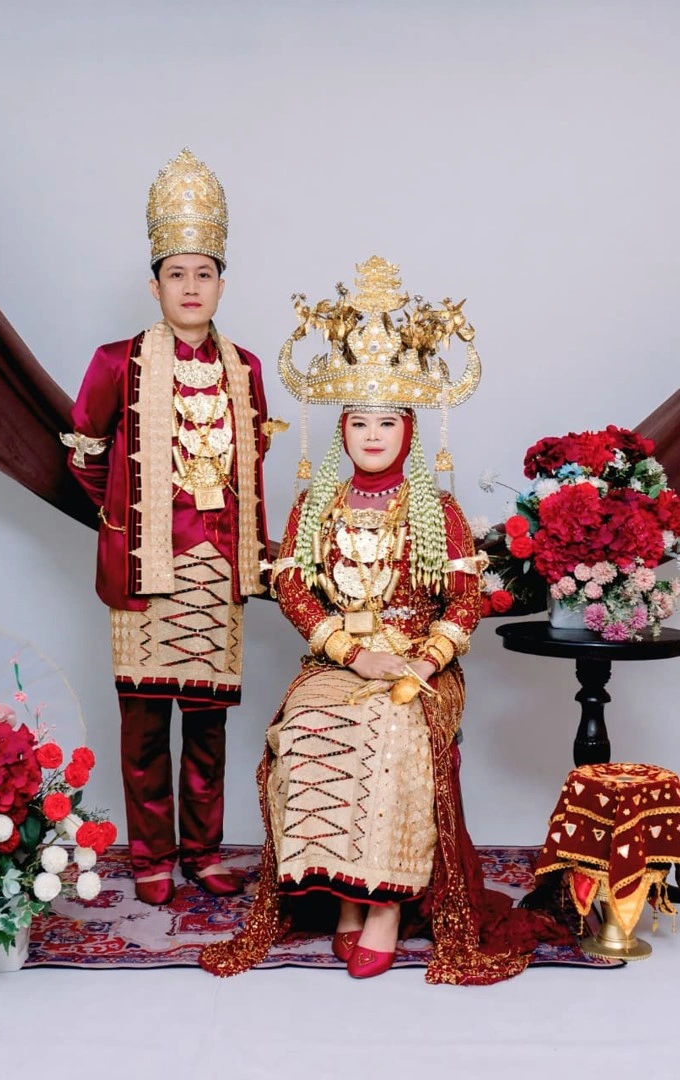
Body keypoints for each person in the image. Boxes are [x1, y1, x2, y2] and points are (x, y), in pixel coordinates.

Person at [200, 257, 571, 983]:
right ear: (342, 431)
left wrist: (424, 661)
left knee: (392, 728)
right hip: (338, 661)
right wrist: (350, 652)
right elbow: (296, 592)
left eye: (387, 422)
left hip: (419, 665)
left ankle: (386, 909)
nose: (373, 435)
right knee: (307, 728)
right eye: (360, 422)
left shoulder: (439, 509)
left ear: (410, 430)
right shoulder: (318, 505)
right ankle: (345, 892)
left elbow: (463, 603)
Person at [62, 150, 276, 906]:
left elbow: (253, 460)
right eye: (176, 274)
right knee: (146, 724)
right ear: (154, 285)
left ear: (222, 283)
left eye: (204, 273)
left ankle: (203, 852)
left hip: (219, 565)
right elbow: (85, 453)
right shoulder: (115, 362)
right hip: (144, 567)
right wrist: (125, 516)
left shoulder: (246, 368)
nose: (191, 286)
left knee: (209, 729)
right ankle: (152, 856)